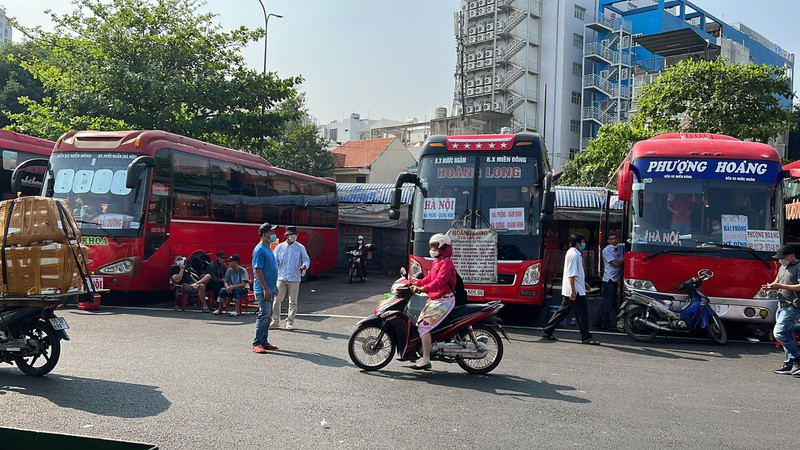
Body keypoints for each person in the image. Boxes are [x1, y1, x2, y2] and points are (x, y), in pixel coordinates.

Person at [541, 233, 600, 345]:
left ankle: (547, 331)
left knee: (562, 312)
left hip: (574, 288)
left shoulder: (574, 253)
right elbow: (571, 275)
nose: (583, 244)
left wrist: (584, 283)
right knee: (582, 314)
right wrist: (573, 290)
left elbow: (576, 274)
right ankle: (586, 337)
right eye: (582, 242)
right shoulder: (574, 255)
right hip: (575, 291)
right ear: (577, 243)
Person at [410, 233, 457, 370]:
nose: (432, 249)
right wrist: (414, 282)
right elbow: (429, 278)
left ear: (443, 247)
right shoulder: (438, 261)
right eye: (431, 247)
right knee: (420, 322)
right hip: (435, 299)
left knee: (423, 326)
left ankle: (426, 359)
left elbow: (439, 282)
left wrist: (422, 288)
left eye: (435, 246)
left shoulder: (447, 263)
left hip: (444, 301)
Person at [762, 244, 800, 376]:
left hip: (792, 306)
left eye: (782, 258)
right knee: (787, 335)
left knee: (779, 333)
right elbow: (777, 280)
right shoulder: (783, 267)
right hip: (781, 305)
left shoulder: (798, 267)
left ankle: (798, 359)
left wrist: (780, 285)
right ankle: (789, 363)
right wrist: (771, 286)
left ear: (791, 256)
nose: (780, 260)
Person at [271, 226, 310, 330]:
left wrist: (304, 266)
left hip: (294, 278)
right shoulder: (279, 247)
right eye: (292, 235)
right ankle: (275, 321)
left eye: (295, 235)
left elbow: (306, 259)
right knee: (277, 300)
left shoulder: (300, 247)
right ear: (287, 236)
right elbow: (274, 261)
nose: (294, 237)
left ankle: (290, 321)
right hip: (281, 277)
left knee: (293, 301)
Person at [252, 222, 280, 353]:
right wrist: (265, 288)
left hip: (270, 287)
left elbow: (271, 269)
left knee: (268, 315)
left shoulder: (268, 248)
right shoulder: (260, 249)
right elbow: (258, 270)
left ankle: (264, 341)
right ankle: (257, 343)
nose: (274, 234)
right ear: (264, 234)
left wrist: (273, 286)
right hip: (263, 289)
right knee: (264, 314)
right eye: (272, 232)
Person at [594, 232, 624, 331]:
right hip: (609, 280)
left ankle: (597, 322)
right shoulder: (606, 251)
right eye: (611, 239)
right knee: (609, 303)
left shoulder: (620, 246)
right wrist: (626, 258)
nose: (613, 240)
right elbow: (615, 263)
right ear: (608, 241)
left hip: (615, 279)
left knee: (606, 302)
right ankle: (605, 324)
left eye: (615, 238)